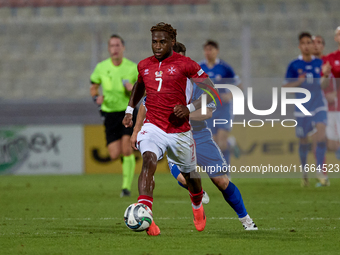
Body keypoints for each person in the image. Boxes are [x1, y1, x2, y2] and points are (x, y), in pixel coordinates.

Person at [132, 42, 258, 231]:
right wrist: (136, 130)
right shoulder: (160, 81)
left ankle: (246, 220)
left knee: (222, 181)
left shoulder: (197, 82)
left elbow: (207, 111)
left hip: (198, 135)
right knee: (183, 178)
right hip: (172, 135)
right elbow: (144, 104)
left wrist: (187, 114)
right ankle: (195, 199)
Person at [123, 22, 216, 236]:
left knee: (191, 176)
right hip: (153, 126)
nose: (157, 46)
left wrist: (189, 107)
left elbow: (211, 90)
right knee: (148, 162)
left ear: (172, 42)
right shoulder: (144, 65)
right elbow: (140, 86)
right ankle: (146, 215)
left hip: (179, 130)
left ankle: (197, 204)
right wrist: (129, 110)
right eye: (154, 41)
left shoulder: (186, 64)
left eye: (162, 41)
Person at [90, 34, 138, 197]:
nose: (115, 49)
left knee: (126, 149)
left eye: (118, 45)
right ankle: (128, 163)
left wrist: (131, 89)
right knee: (114, 153)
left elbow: (141, 90)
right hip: (109, 113)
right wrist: (96, 97)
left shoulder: (132, 67)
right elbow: (94, 86)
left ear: (123, 48)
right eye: (112, 46)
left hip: (127, 112)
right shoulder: (101, 67)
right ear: (109, 49)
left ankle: (126, 187)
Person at [283, 32, 329, 187]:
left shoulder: (320, 63)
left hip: (318, 105)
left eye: (309, 42)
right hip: (302, 108)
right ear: (300, 46)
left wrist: (327, 76)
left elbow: (323, 86)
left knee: (321, 136)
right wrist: (298, 82)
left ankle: (320, 171)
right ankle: (304, 173)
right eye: (303, 43)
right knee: (303, 142)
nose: (307, 45)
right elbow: (285, 88)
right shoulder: (294, 65)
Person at [199, 40, 242, 177]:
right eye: (206, 49)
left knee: (221, 143)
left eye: (211, 49)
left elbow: (239, 86)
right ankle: (231, 142)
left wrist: (229, 95)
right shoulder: (199, 68)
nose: (208, 52)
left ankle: (226, 174)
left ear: (216, 51)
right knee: (215, 143)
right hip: (208, 110)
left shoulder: (225, 68)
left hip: (224, 109)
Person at [321, 26, 340, 161]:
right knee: (332, 144)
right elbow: (323, 83)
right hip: (334, 108)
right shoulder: (329, 59)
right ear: (335, 38)